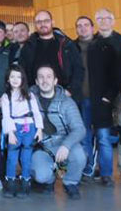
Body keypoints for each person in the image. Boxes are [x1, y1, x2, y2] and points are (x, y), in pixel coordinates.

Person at [30, 65, 86, 200]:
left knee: (79, 156)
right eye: (41, 77)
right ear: (36, 82)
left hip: (64, 143)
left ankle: (70, 182)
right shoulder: (29, 100)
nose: (45, 80)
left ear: (55, 81)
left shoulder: (67, 102)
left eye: (49, 77)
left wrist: (66, 145)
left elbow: (80, 129)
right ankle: (50, 180)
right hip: (43, 146)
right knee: (41, 175)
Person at [75, 16, 117, 186]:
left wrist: (109, 96)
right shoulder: (72, 47)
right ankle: (88, 170)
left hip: (101, 100)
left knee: (104, 138)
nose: (83, 28)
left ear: (93, 28)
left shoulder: (104, 46)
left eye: (86, 25)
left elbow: (114, 73)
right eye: (79, 26)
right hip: (81, 100)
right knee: (84, 137)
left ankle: (106, 174)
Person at [94, 8, 121, 181]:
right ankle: (97, 167)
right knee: (98, 132)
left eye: (106, 18)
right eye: (99, 18)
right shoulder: (92, 41)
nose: (103, 21)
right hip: (99, 94)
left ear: (113, 20)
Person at [19, 10, 84, 102]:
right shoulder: (28, 46)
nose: (42, 24)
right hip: (36, 97)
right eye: (39, 22)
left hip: (64, 95)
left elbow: (78, 69)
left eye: (46, 21)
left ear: (52, 22)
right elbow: (22, 71)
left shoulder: (67, 44)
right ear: (35, 25)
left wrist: (70, 90)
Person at [0, 65, 43, 199]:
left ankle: (25, 181)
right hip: (14, 127)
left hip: (29, 126)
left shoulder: (30, 95)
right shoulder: (6, 97)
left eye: (18, 77)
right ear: (7, 79)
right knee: (12, 156)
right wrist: (10, 133)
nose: (15, 79)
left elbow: (36, 112)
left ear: (23, 79)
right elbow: (6, 116)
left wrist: (40, 129)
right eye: (12, 76)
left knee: (26, 156)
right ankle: (11, 181)